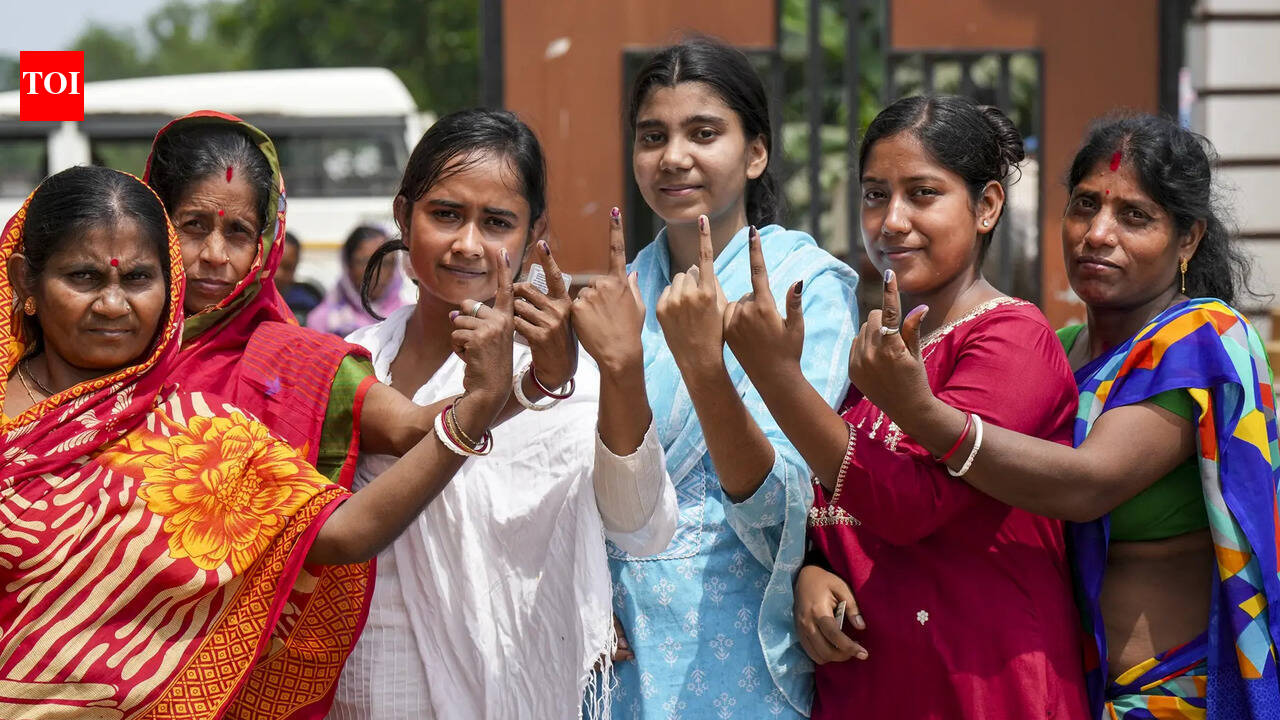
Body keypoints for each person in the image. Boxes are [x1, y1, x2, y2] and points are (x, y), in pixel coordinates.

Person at [0, 165, 517, 718]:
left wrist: (480, 408)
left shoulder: (199, 433)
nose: (112, 304)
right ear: (25, 280)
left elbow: (343, 532)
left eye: (138, 280)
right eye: (83, 278)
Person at [844, 112, 1280, 718]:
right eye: (1084, 205)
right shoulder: (1061, 347)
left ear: (1188, 239)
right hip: (1058, 682)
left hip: (1173, 691)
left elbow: (1087, 485)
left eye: (1134, 216)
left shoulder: (1202, 339)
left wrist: (918, 410)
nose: (1097, 234)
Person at [328, 109, 678, 720]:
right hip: (372, 688)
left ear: (533, 231)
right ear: (402, 214)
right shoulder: (353, 363)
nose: (467, 244)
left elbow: (640, 527)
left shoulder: (568, 377)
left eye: (496, 222)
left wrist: (622, 371)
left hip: (524, 690)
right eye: (444, 215)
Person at [756, 94, 1089, 718]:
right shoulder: (873, 351)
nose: (891, 221)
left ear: (987, 206)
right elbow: (830, 505)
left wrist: (780, 382)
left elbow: (913, 506)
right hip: (871, 682)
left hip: (983, 685)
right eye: (876, 194)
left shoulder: (1013, 339)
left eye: (923, 193)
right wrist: (807, 571)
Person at [604, 38, 859, 718]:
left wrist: (704, 363)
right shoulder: (620, 297)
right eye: (653, 136)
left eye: (703, 132)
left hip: (742, 643)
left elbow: (786, 507)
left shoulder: (804, 290)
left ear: (755, 153)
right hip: (615, 646)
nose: (673, 157)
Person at [144, 111, 569, 484]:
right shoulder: (107, 347)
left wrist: (537, 382)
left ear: (266, 243)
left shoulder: (301, 364)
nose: (216, 256)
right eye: (193, 226)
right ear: (153, 226)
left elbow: (411, 430)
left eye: (239, 232)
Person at [308, 224, 409, 336]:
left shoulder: (410, 319)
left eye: (385, 263)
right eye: (366, 262)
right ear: (348, 266)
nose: (376, 272)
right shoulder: (324, 321)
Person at [278, 230, 325, 321]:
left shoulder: (306, 306)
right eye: (273, 265)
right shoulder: (248, 301)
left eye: (287, 268)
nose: (278, 274)